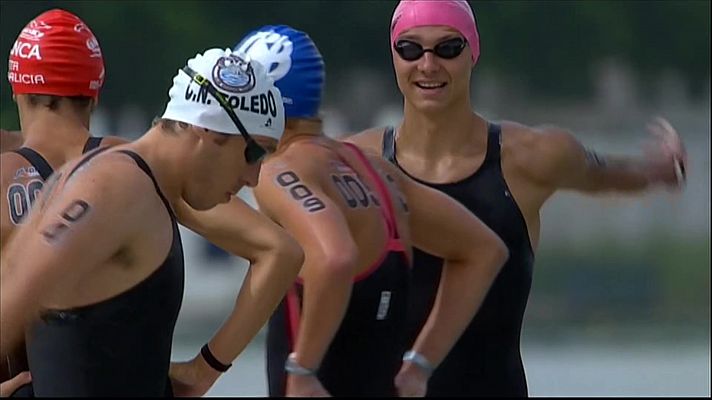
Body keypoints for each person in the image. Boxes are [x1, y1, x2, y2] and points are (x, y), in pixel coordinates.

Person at [345, 0, 688, 397]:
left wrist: (660, 171)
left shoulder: (529, 158)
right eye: (410, 49)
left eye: (448, 48)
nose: (427, 65)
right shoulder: (358, 163)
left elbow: (603, 174)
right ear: (394, 56)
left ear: (473, 51)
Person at [0, 46, 304, 396]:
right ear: (208, 131)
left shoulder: (143, 186)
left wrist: (204, 370)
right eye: (255, 153)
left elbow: (284, 251)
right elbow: (20, 287)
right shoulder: (116, 186)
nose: (254, 177)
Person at [232, 25, 508, 397]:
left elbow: (335, 258)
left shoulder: (279, 170)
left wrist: (303, 369)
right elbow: (484, 250)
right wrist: (419, 366)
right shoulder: (374, 169)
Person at [0, 9, 127, 396]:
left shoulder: (3, 171)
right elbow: (277, 248)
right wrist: (206, 365)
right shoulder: (137, 167)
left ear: (16, 89)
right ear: (96, 92)